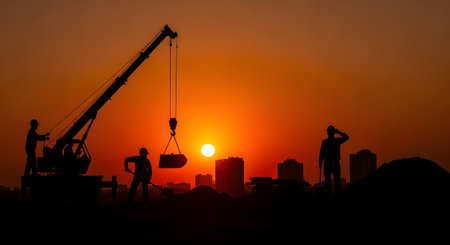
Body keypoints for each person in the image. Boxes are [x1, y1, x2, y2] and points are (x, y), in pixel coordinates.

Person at [319, 125, 349, 197]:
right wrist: (320, 162)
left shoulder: (335, 141)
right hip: (329, 163)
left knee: (336, 181)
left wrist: (339, 132)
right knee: (328, 182)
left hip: (333, 163)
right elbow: (321, 153)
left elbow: (346, 137)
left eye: (330, 131)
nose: (330, 133)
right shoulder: (327, 142)